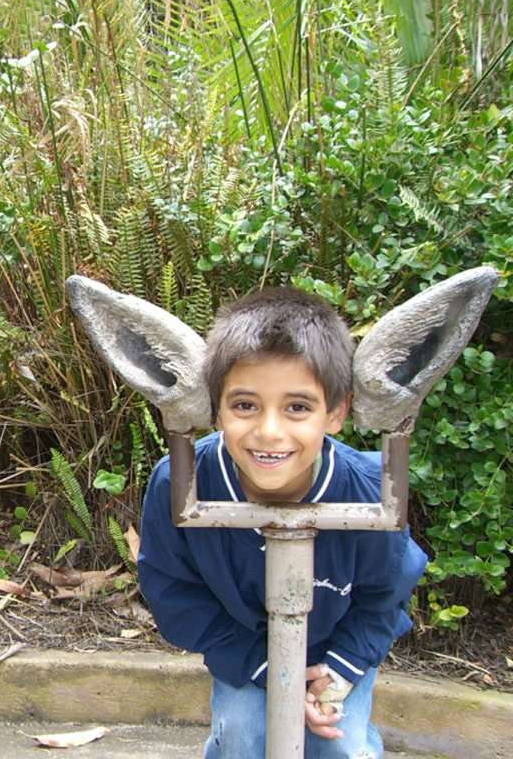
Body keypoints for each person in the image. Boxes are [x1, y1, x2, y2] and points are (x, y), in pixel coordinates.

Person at [137, 287, 427, 759]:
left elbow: (384, 596)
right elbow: (173, 592)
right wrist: (268, 672)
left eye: (297, 407)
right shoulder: (182, 483)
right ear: (214, 409)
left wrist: (336, 673)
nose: (270, 431)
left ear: (335, 412)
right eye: (245, 405)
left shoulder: (372, 489)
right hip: (245, 651)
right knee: (242, 740)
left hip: (338, 654)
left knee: (339, 750)